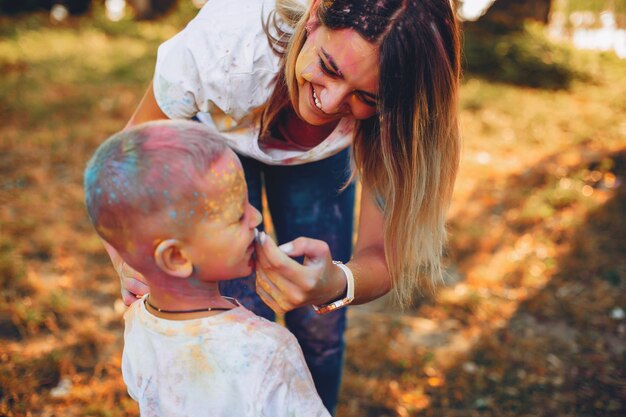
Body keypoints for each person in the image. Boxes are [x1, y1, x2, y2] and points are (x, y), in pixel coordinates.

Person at [109, 0, 461, 413]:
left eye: (365, 96)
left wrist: (337, 284)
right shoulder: (223, 46)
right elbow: (125, 164)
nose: (329, 104)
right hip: (216, 141)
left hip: (322, 163)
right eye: (329, 68)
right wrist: (127, 260)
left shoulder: (396, 104)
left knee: (321, 328)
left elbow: (380, 257)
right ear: (313, 18)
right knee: (236, 316)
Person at [84, 120, 331, 417]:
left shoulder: (137, 321)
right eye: (238, 215)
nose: (255, 218)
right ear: (176, 257)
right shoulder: (269, 350)